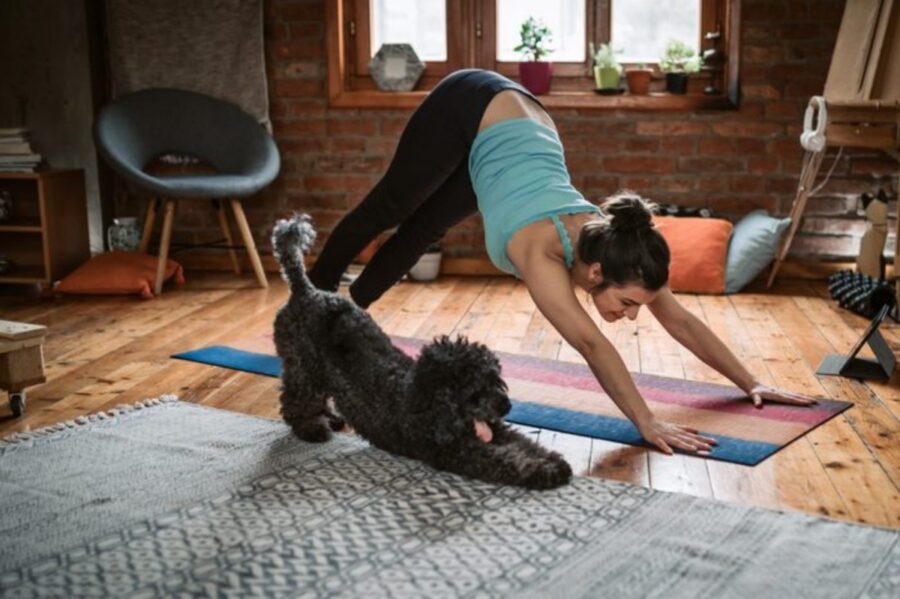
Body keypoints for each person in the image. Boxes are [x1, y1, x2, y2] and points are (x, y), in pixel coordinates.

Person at [309, 69, 817, 455]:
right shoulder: (541, 253)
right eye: (627, 304)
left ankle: (347, 309)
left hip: (518, 127)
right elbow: (593, 344)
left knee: (425, 229)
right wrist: (646, 422)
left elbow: (679, 318)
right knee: (393, 210)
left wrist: (750, 382)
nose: (633, 315)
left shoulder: (621, 252)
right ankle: (312, 299)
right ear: (595, 274)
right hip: (472, 103)